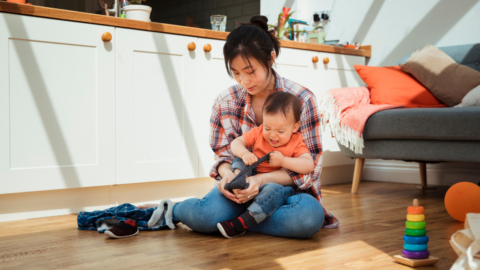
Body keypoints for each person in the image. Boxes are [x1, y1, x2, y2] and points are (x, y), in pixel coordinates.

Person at [139, 15, 339, 239]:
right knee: (208, 214)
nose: (245, 81)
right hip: (240, 187)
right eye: (236, 73)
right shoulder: (226, 102)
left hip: (285, 193)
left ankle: (229, 221)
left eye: (251, 71)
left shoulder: (302, 99)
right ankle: (172, 210)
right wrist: (228, 178)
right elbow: (223, 154)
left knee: (308, 217)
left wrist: (261, 180)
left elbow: (311, 168)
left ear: (271, 59)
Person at [216, 91, 315, 238]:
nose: (272, 135)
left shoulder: (296, 141)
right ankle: (238, 184)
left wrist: (283, 161)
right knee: (239, 160)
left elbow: (309, 165)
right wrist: (245, 153)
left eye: (280, 131)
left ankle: (244, 221)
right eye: (268, 128)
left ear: (295, 127)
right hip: (251, 177)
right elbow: (236, 143)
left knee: (274, 190)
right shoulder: (259, 132)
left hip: (275, 186)